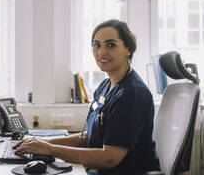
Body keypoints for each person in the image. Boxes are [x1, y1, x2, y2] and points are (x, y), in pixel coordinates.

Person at [14, 19, 160, 174]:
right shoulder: (105, 86)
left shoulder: (132, 94)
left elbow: (110, 158)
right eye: (97, 45)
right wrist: (42, 143)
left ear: (128, 49)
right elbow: (90, 136)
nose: (101, 52)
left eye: (110, 45)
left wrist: (50, 149)